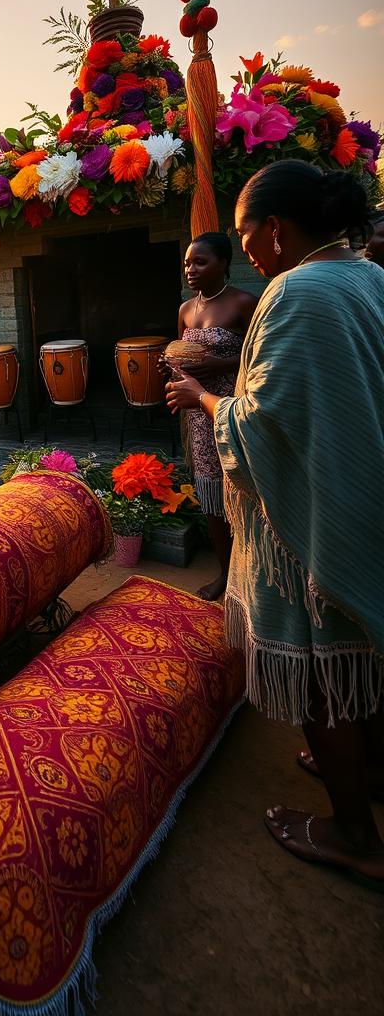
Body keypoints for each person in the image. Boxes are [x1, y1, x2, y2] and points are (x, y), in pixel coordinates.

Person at [166, 161, 384, 887]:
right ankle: (357, 765)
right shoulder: (369, 277)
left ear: (277, 229)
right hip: (364, 494)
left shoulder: (294, 291)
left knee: (322, 671)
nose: (245, 251)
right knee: (361, 656)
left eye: (244, 235)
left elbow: (265, 423)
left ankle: (354, 832)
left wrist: (201, 398)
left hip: (315, 518)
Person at [169, 233, 256, 601]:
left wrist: (216, 363)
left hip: (233, 409)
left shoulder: (243, 303)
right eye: (188, 262)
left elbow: (262, 357)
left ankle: (251, 573)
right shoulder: (186, 309)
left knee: (242, 489)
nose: (191, 269)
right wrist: (171, 367)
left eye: (200, 262)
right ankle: (225, 572)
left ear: (223, 263)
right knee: (211, 494)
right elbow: (180, 354)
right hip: (199, 418)